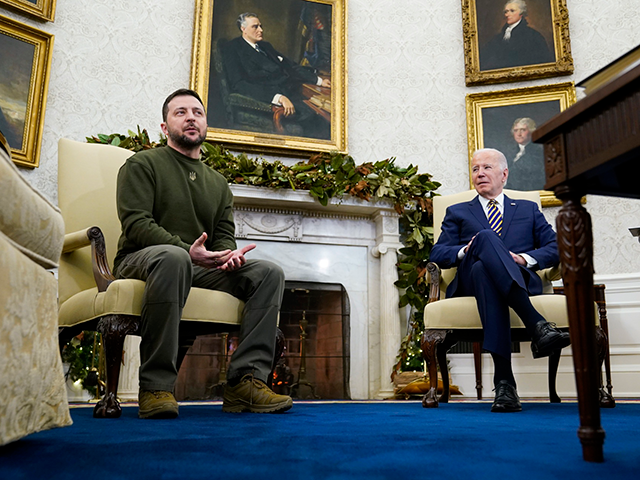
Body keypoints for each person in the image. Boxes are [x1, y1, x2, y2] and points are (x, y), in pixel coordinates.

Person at [113, 88, 292, 418]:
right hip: (142, 261)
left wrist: (227, 256)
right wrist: (187, 251)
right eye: (180, 112)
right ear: (165, 127)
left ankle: (244, 383)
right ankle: (156, 387)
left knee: (268, 273)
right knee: (174, 257)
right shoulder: (142, 164)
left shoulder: (218, 183)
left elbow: (223, 236)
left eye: (197, 112)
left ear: (206, 124)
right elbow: (137, 224)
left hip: (194, 265)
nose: (190, 117)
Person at [429, 148, 570, 412]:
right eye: (475, 169)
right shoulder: (457, 211)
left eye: (487, 167)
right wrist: (464, 251)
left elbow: (556, 247)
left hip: (515, 276)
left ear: (504, 174)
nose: (479, 173)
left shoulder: (527, 209)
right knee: (483, 239)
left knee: (485, 271)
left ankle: (504, 383)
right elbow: (437, 252)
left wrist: (524, 259)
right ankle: (536, 323)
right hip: (468, 281)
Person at [222, 12, 330, 139]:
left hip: (292, 93)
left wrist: (318, 80)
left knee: (323, 113)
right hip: (268, 101)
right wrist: (278, 97)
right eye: (255, 27)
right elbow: (240, 84)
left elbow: (290, 66)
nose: (261, 30)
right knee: (319, 118)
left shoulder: (265, 46)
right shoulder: (233, 49)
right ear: (243, 29)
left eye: (260, 26)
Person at [480, 1, 554, 71]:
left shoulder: (533, 36)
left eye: (512, 11)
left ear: (521, 13)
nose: (507, 14)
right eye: (506, 11)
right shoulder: (498, 37)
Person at [506, 117, 546, 191]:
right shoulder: (509, 153)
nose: (519, 134)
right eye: (516, 130)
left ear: (531, 132)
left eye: (523, 130)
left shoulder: (538, 152)